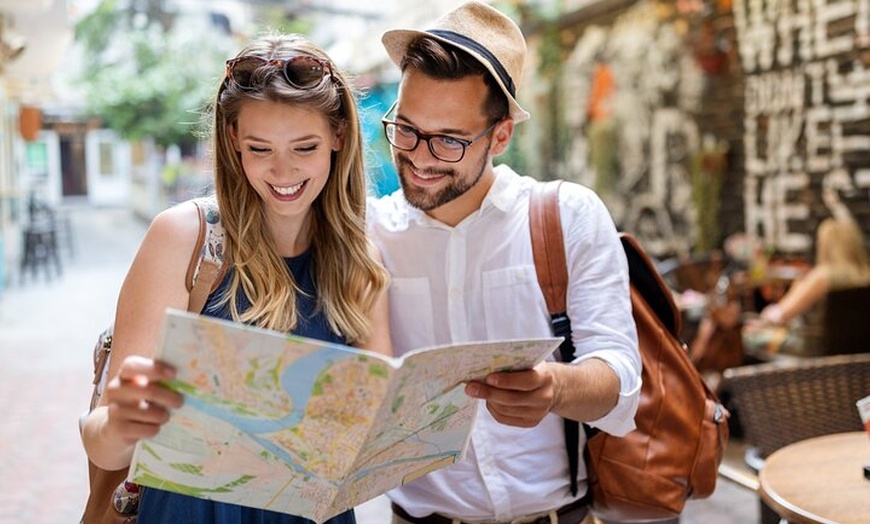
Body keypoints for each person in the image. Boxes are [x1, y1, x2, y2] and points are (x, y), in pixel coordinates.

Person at [80, 34, 391, 523]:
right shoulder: (184, 238)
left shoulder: (360, 258)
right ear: (232, 143)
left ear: (339, 137)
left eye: (304, 146)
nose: (282, 170)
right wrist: (122, 421)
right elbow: (104, 446)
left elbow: (373, 427)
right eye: (259, 148)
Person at [366, 2, 642, 523]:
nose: (421, 158)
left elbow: (622, 379)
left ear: (500, 136)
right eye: (405, 129)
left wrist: (555, 387)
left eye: (449, 140)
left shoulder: (565, 216)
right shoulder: (370, 234)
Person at [753, 216, 870, 326]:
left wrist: (796, 290)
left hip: (819, 345)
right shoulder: (866, 274)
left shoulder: (822, 277)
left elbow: (779, 315)